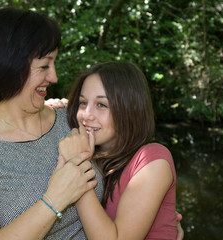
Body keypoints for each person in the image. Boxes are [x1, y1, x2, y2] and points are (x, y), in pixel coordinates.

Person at [0, 7, 102, 239]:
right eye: (44, 66)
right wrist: (54, 199)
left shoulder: (70, 119)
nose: (54, 77)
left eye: (54, 63)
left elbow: (124, 169)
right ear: (8, 67)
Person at [58, 61, 179, 239]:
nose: (86, 114)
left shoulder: (153, 160)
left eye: (101, 105)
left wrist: (76, 169)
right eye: (83, 103)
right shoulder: (95, 156)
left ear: (129, 109)